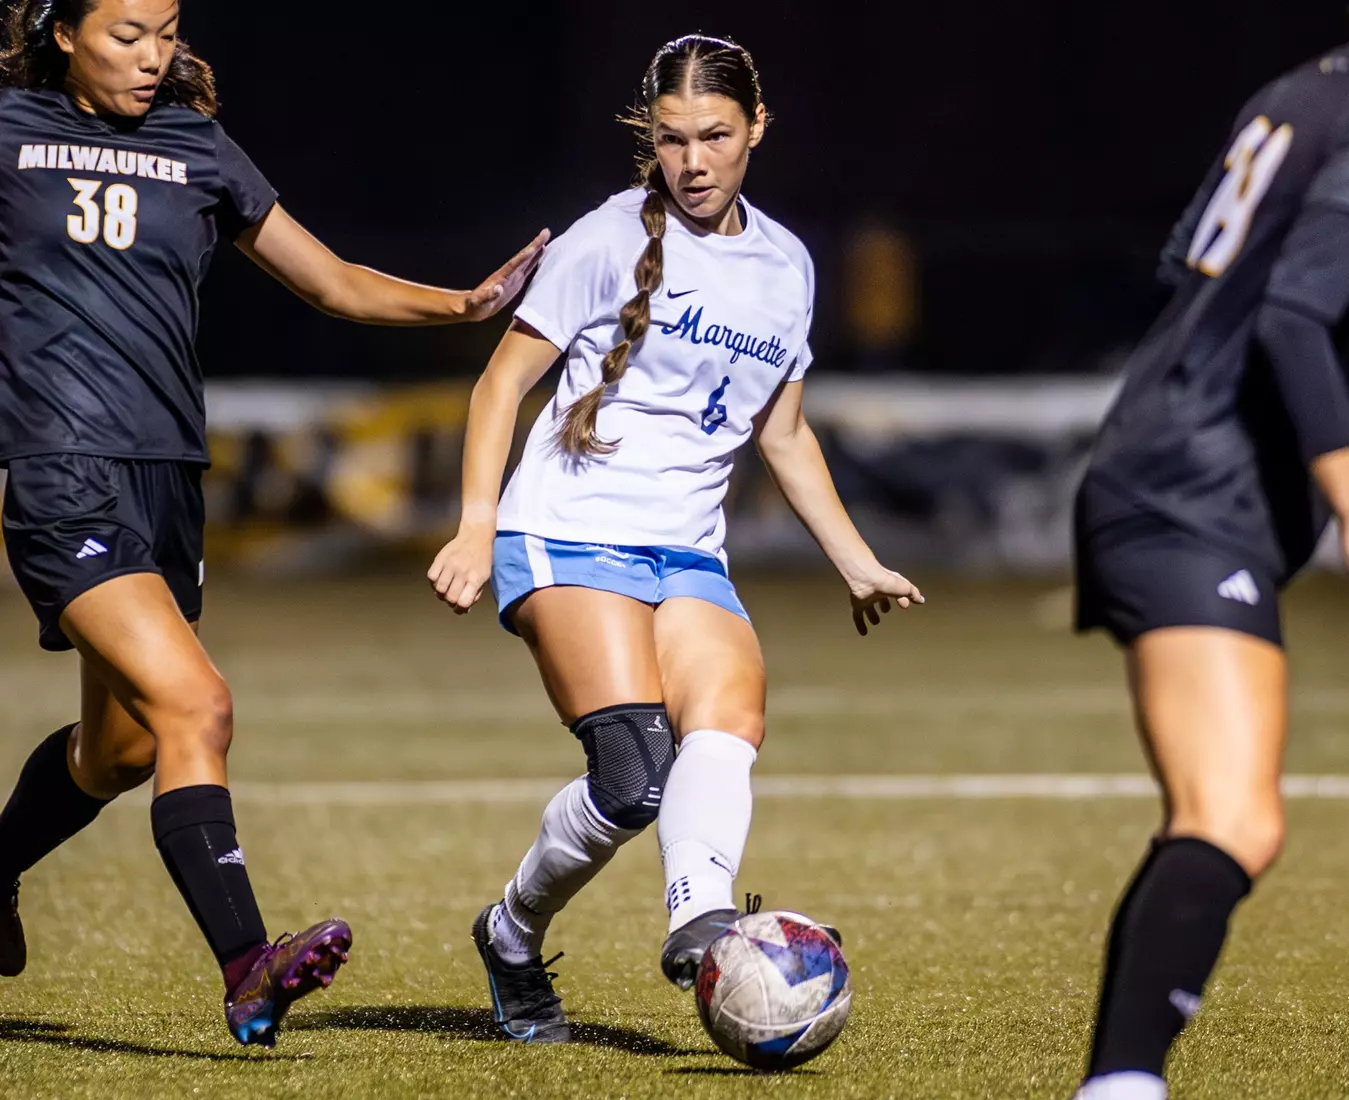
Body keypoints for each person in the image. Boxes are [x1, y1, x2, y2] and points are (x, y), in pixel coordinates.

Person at [0, 0, 546, 1049]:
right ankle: (249, 967)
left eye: (166, 31)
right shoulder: (10, 129)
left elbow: (331, 280)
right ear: (62, 32)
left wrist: (463, 306)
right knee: (196, 704)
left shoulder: (195, 144)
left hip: (169, 479)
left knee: (118, 751)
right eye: (125, 34)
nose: (153, 55)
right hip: (62, 473)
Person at [428, 33, 921, 1044]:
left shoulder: (785, 265)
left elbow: (782, 432)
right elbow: (499, 384)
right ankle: (510, 933)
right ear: (648, 139)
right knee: (632, 779)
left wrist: (856, 559)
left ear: (757, 128)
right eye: (671, 139)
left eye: (714, 137)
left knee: (728, 720)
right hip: (567, 529)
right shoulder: (604, 240)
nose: (692, 162)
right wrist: (476, 526)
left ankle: (701, 917)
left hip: (688, 549)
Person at [1071, 13, 1349, 1099]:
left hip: (1182, 470)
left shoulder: (1307, 91)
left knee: (1232, 817)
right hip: (1189, 491)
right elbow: (1294, 317)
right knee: (1231, 816)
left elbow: (1222, 280)